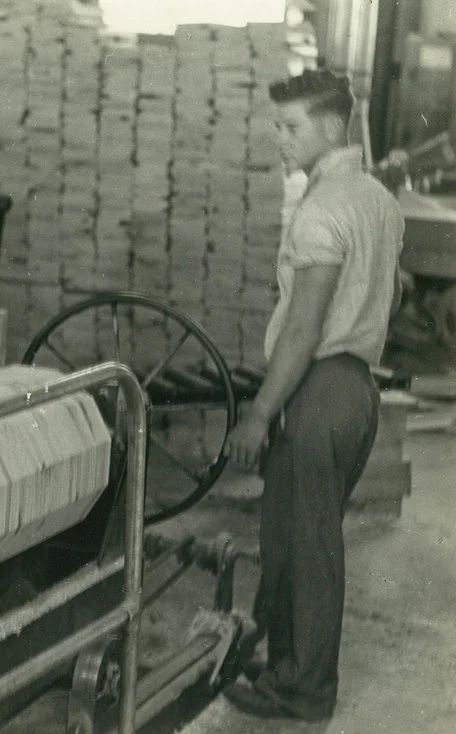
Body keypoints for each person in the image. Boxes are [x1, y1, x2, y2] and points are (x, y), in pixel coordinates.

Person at [223, 69, 404, 721]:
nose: (278, 137)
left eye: (290, 126)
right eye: (277, 124)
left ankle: (303, 688)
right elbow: (391, 293)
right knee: (300, 537)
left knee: (305, 544)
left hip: (321, 388)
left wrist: (261, 412)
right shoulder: (377, 199)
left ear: (331, 128)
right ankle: (285, 665)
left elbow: (304, 325)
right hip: (356, 390)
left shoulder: (323, 209)